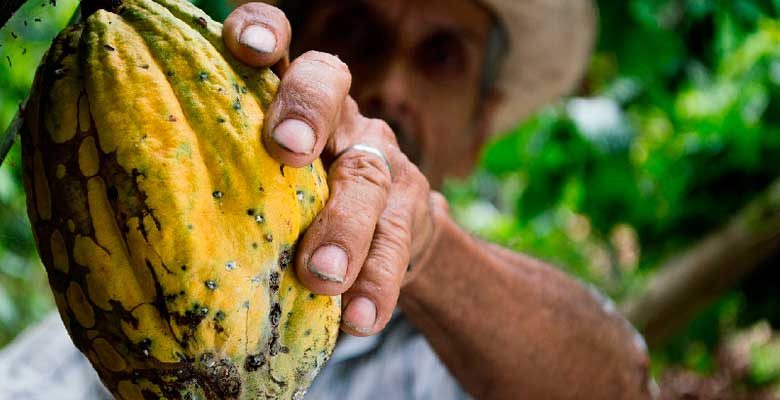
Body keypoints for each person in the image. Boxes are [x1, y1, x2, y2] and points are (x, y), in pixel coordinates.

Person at [0, 0, 657, 399]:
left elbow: (617, 385)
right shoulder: (119, 309)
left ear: (479, 130)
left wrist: (423, 246)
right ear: (276, 57)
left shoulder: (480, 347)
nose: (392, 84)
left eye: (441, 56)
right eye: (353, 27)